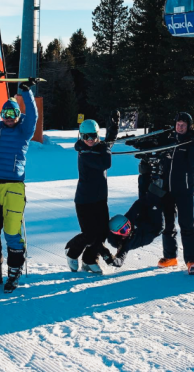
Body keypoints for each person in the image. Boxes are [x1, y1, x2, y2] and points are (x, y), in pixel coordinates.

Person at [0, 75, 38, 293]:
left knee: (12, 232)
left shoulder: (24, 131)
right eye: (5, 113)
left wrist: (25, 91)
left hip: (13, 188)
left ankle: (14, 273)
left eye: (13, 113)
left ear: (18, 115)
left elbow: (33, 115)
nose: (8, 117)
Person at [65, 113, 120, 274]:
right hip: (84, 201)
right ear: (81, 136)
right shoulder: (84, 152)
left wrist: (114, 128)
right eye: (86, 136)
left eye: (93, 136)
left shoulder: (99, 147)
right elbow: (105, 163)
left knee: (102, 232)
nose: (90, 139)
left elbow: (108, 141)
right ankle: (72, 252)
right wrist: (105, 147)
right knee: (90, 235)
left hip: (100, 199)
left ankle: (89, 259)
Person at [158, 112, 194, 275]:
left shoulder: (191, 143)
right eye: (178, 124)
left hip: (184, 191)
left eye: (183, 125)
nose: (180, 127)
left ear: (188, 126)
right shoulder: (170, 141)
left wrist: (191, 144)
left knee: (187, 225)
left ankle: (191, 260)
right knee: (168, 224)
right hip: (167, 190)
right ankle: (170, 257)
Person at [106, 193, 165, 267]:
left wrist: (147, 196)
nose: (128, 229)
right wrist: (111, 259)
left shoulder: (128, 220)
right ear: (117, 233)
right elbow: (120, 261)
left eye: (127, 225)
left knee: (148, 196)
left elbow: (137, 205)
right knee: (157, 200)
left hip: (143, 221)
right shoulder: (125, 243)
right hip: (154, 228)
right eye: (123, 230)